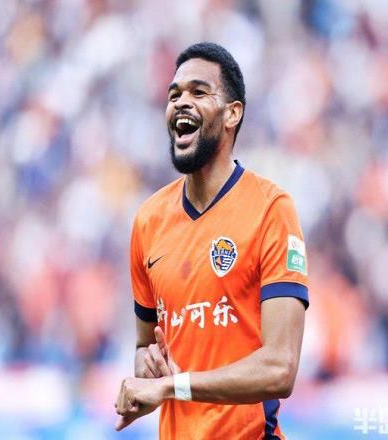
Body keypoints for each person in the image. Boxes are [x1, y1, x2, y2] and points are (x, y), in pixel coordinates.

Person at [115, 42, 309, 439]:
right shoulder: (149, 221)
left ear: (232, 113)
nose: (181, 102)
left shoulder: (271, 209)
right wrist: (147, 369)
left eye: (198, 92)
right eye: (174, 94)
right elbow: (143, 347)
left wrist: (174, 386)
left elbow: (280, 368)